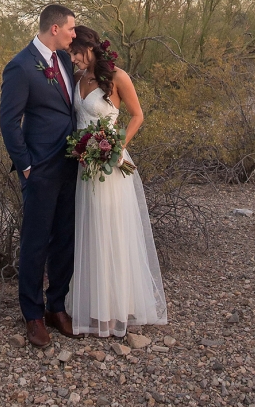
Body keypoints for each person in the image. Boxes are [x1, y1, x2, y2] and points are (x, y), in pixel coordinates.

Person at [66, 24, 167, 337]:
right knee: (89, 231)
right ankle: (93, 306)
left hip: (110, 166)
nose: (73, 60)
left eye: (75, 53)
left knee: (112, 232)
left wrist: (118, 145)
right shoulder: (77, 78)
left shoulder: (118, 78)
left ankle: (115, 308)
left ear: (90, 48)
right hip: (84, 166)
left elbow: (137, 115)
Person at [0, 4, 78, 347]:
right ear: (55, 29)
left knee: (65, 240)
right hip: (41, 170)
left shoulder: (63, 61)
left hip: (72, 167)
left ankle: (56, 306)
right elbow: (8, 121)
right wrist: (27, 165)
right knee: (35, 243)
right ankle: (32, 314)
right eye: (71, 29)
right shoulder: (20, 66)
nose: (74, 35)